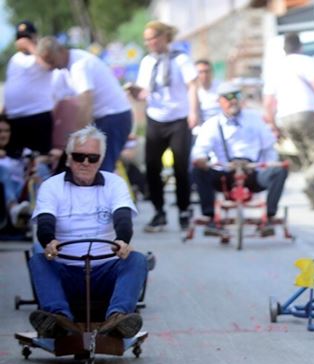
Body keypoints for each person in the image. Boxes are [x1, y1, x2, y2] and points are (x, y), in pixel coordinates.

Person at [27, 125, 148, 339]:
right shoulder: (51, 186)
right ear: (68, 158)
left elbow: (122, 217)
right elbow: (45, 221)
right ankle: (59, 320)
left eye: (92, 158)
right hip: (65, 267)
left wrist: (122, 240)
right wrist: (49, 241)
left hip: (104, 268)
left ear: (100, 160)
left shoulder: (114, 183)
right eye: (79, 156)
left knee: (137, 260)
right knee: (38, 260)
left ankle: (117, 319)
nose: (85, 163)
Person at [126, 20, 199, 232]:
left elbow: (192, 86)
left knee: (180, 167)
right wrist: (134, 92)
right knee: (152, 166)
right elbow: (143, 92)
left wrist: (193, 112)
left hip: (178, 118)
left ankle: (184, 210)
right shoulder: (147, 62)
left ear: (164, 37)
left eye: (153, 38)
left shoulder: (181, 59)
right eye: (147, 40)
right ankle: (159, 211)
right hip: (156, 118)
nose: (150, 43)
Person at [191, 81, 288, 237]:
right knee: (197, 170)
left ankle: (268, 217)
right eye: (228, 97)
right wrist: (201, 159)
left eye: (236, 95)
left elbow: (269, 148)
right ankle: (210, 217)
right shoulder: (211, 124)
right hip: (224, 174)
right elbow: (199, 150)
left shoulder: (255, 119)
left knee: (279, 170)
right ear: (219, 101)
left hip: (253, 173)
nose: (233, 100)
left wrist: (268, 165)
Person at [262, 32, 314, 210]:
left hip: (284, 118)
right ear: (300, 46)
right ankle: (310, 182)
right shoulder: (306, 61)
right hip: (305, 113)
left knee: (305, 158)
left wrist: (273, 125)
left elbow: (267, 102)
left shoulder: (276, 67)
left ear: (284, 49)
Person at [35, 36, 133, 174]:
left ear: (61, 51)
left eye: (51, 61)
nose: (51, 67)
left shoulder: (79, 66)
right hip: (107, 117)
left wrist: (78, 138)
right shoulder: (68, 66)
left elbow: (86, 101)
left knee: (99, 169)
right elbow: (57, 99)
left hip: (113, 117)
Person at [2, 21, 56, 157]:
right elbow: (12, 85)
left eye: (26, 37)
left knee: (39, 159)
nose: (22, 41)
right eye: (20, 37)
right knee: (14, 159)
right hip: (14, 118)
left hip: (37, 115)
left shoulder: (40, 55)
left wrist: (31, 47)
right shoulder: (15, 59)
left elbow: (49, 65)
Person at [195, 59, 221, 125]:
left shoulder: (221, 87)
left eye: (207, 71)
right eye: (200, 72)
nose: (204, 75)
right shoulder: (193, 92)